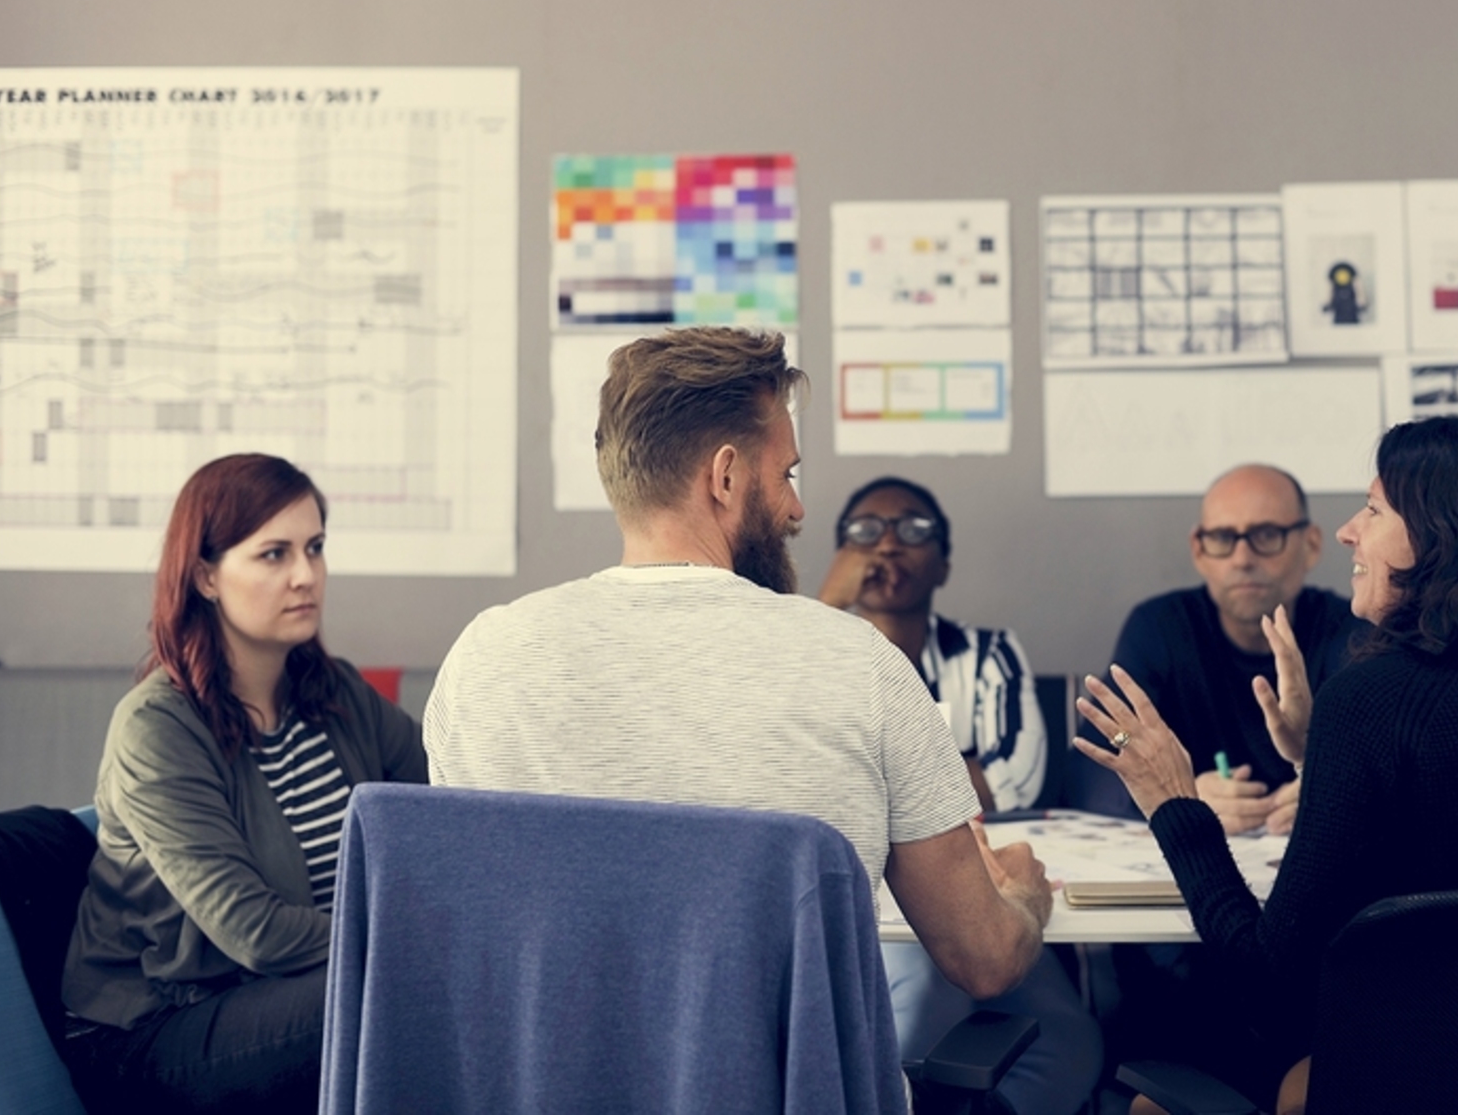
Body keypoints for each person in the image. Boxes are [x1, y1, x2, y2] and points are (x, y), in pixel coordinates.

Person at [425, 328, 1052, 1019]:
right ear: (725, 477)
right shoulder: (861, 666)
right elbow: (985, 959)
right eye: (786, 475)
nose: (798, 509)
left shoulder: (482, 661)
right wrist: (1023, 896)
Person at [1075, 417, 1458, 1111]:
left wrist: (1174, 803)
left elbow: (1267, 987)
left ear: (1442, 536)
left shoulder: (1371, 699)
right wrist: (1323, 759)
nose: (1348, 532)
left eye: (1373, 510)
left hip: (1398, 1082)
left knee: (1154, 1103)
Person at [62, 454, 428, 1115]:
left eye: (315, 548)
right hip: (158, 1031)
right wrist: (410, 934)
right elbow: (252, 931)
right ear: (205, 575)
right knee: (401, 981)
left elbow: (439, 812)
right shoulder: (157, 729)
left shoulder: (335, 691)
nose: (305, 576)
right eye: (273, 555)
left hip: (292, 994)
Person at [821, 477, 1101, 1115]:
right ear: (838, 558)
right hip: (875, 908)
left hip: (987, 885)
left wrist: (878, 777)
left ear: (944, 562)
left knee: (1072, 1040)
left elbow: (1015, 782)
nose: (888, 543)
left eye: (914, 530)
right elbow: (798, 778)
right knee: (919, 1018)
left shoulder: (988, 653)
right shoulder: (814, 654)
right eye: (865, 531)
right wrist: (827, 609)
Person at [1077, 464, 1364, 837]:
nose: (1243, 559)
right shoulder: (1161, 628)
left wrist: (1336, 794)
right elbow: (1091, 775)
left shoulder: (1354, 634)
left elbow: (1396, 771)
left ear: (1310, 545)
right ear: (1199, 549)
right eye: (1223, 537)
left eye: (1266, 535)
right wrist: (1176, 798)